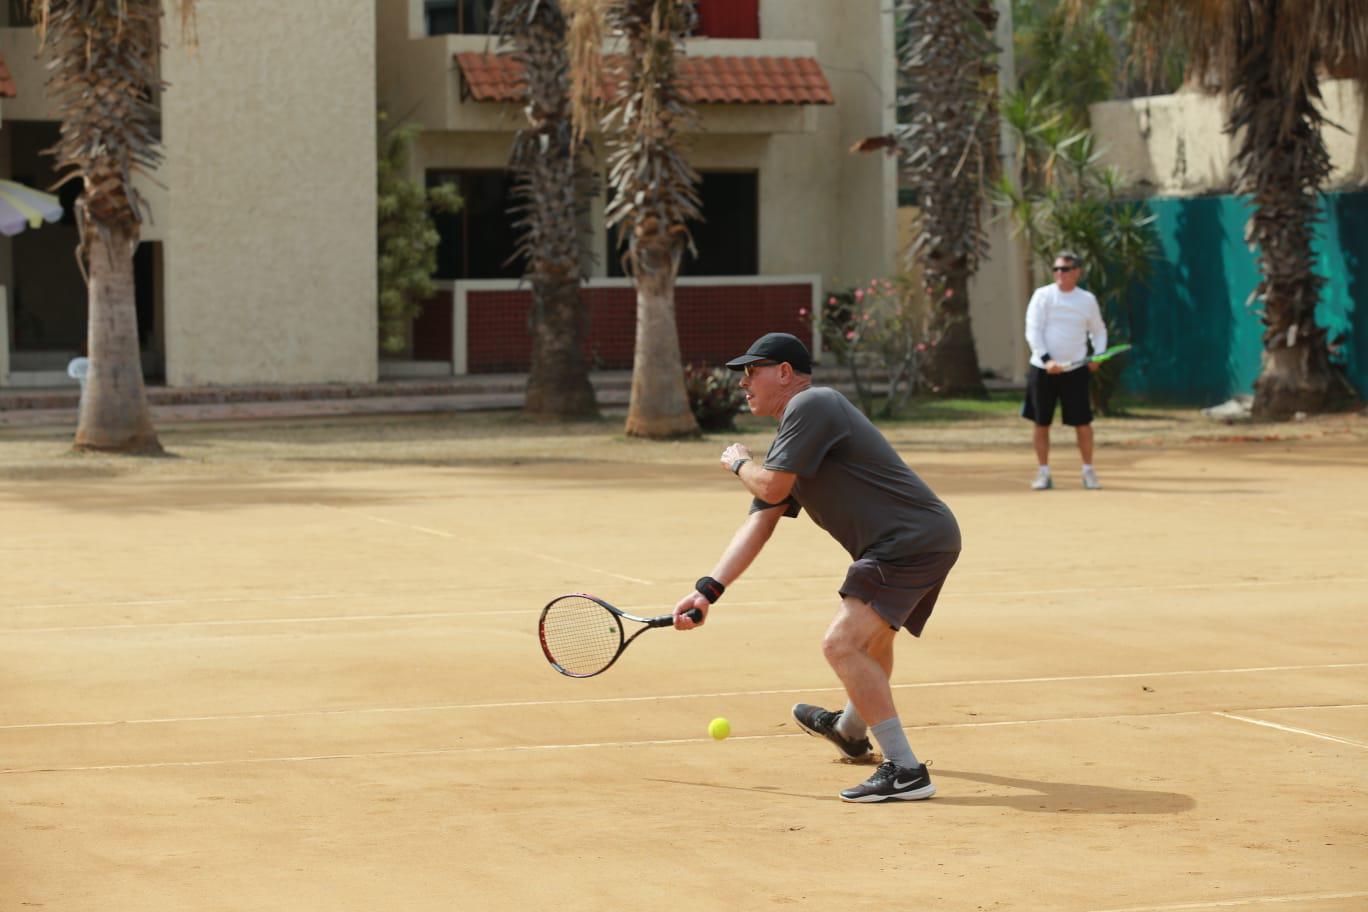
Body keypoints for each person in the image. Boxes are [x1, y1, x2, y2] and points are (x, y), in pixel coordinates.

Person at [672, 332, 962, 803]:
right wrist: (708, 591)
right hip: (921, 539)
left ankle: (906, 769)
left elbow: (765, 488)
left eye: (752, 371)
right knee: (873, 641)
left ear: (785, 374)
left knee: (840, 644)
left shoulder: (812, 405)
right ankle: (849, 730)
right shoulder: (796, 435)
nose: (743, 383)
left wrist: (738, 463)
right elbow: (760, 524)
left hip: (906, 542)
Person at [1022, 251, 1107, 490]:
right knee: (1041, 423)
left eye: (1065, 269)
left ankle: (1088, 471)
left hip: (1076, 370)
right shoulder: (1043, 296)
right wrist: (1048, 360)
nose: (1060, 273)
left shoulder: (1087, 300)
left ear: (1077, 272)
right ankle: (1043, 473)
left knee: (1083, 423)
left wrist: (1098, 354)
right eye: (1056, 269)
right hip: (1043, 370)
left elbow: (1098, 330)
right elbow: (1033, 330)